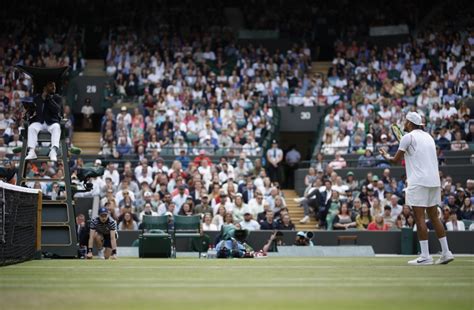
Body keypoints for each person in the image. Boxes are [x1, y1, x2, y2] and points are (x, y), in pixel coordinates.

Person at [380, 111, 454, 265]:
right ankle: (446, 252)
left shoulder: (408, 137)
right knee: (434, 217)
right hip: (434, 181)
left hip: (418, 182)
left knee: (419, 217)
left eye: (405, 122)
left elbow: (395, 160)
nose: (404, 124)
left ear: (409, 123)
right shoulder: (429, 137)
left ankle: (426, 256)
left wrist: (385, 155)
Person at [25, 81, 63, 161]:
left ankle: (53, 151)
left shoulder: (57, 98)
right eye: (51, 86)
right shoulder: (37, 98)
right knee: (32, 127)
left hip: (51, 122)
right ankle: (32, 152)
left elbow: (57, 109)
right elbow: (33, 110)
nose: (54, 88)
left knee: (56, 127)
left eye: (54, 86)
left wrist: (48, 98)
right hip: (40, 122)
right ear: (45, 88)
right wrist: (28, 111)